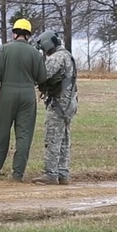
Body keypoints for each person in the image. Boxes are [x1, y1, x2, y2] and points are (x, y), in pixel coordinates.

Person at [0, 18, 47, 186]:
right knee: (24, 135)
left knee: (0, 133)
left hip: (7, 94)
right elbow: (42, 78)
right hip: (27, 95)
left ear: (14, 33)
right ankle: (17, 174)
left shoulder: (4, 50)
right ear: (28, 35)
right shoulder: (35, 53)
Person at [32, 31, 78, 186]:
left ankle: (51, 174)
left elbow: (42, 75)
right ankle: (63, 173)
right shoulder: (67, 55)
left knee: (52, 137)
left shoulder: (56, 58)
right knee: (64, 138)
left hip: (59, 103)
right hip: (69, 103)